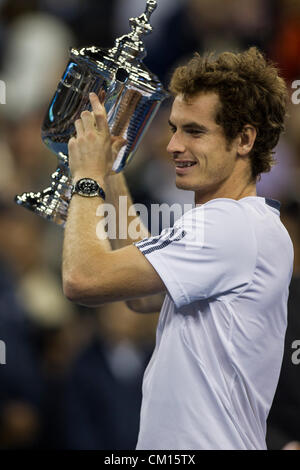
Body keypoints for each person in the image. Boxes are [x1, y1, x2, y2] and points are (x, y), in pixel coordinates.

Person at [62, 47, 294, 450]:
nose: (172, 145)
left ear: (244, 139)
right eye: (173, 128)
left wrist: (87, 177)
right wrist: (112, 171)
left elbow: (83, 278)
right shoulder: (244, 225)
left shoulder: (229, 225)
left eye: (194, 131)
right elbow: (145, 294)